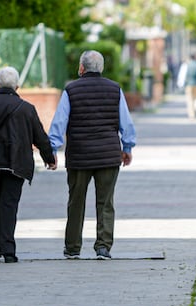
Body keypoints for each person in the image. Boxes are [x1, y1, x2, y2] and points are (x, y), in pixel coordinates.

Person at [48, 50, 136, 260]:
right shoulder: (115, 89)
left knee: (75, 202)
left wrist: (52, 150)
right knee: (105, 203)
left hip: (79, 156)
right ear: (102, 68)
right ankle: (103, 247)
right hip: (108, 155)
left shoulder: (71, 90)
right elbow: (126, 123)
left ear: (81, 68)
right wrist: (127, 147)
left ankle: (72, 247)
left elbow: (59, 123)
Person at [0, 66, 56, 263]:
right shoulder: (27, 108)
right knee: (9, 204)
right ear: (17, 86)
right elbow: (40, 137)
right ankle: (9, 250)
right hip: (16, 163)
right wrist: (49, 158)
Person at [177, 54, 196, 118]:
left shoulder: (186, 65)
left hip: (188, 85)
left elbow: (182, 75)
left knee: (190, 100)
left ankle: (191, 114)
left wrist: (180, 85)